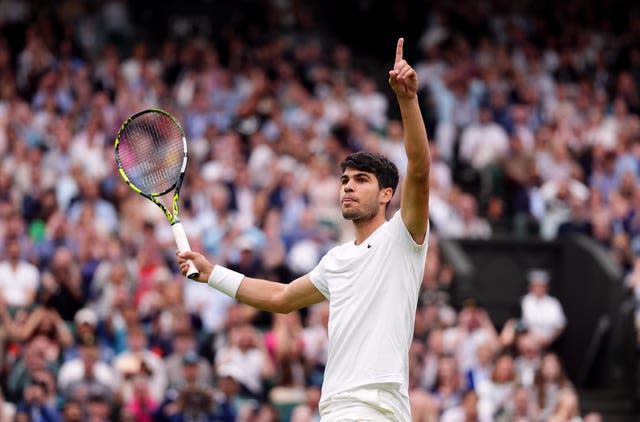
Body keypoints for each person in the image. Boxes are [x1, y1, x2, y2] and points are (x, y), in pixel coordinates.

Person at [178, 37, 431, 421]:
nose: (347, 185)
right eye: (345, 179)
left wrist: (407, 100)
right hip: (334, 408)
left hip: (376, 409)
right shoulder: (336, 260)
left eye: (361, 180)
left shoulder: (403, 238)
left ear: (386, 195)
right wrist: (213, 273)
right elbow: (281, 297)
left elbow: (420, 167)